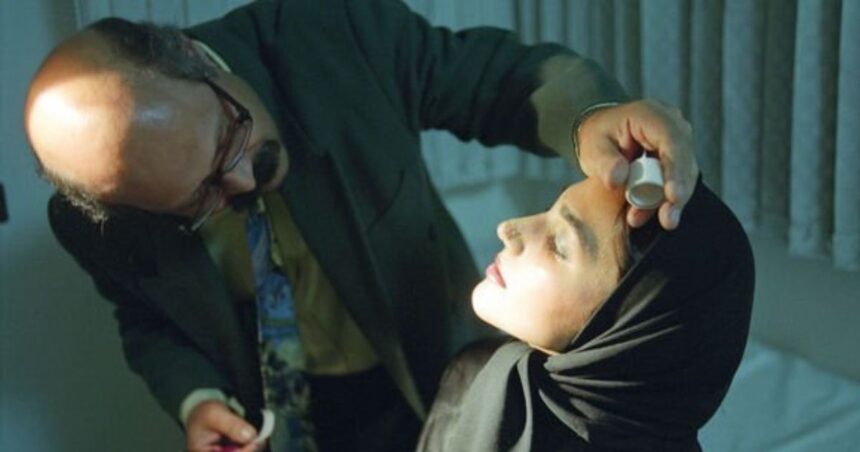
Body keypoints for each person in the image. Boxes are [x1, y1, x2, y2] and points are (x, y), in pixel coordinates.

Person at [23, 0, 698, 450]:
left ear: (192, 57)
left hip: (434, 370)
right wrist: (196, 400)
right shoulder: (91, 226)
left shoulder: (332, 33)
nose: (243, 183)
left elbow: (502, 82)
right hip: (284, 416)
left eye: (230, 140)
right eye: (199, 198)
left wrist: (593, 118)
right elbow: (148, 323)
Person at [417, 176, 754, 451]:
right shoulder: (478, 372)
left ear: (625, 331)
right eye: (547, 210)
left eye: (559, 246)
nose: (509, 228)